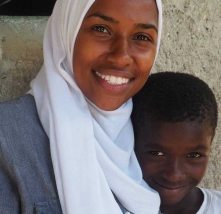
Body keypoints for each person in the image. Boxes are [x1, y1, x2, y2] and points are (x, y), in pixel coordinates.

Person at [0, 0, 163, 213]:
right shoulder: (7, 136)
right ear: (66, 30)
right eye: (101, 29)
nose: (121, 57)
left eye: (142, 37)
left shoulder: (154, 141)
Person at [131, 72, 221, 214]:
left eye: (194, 155)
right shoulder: (111, 207)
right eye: (157, 153)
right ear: (129, 142)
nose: (174, 174)